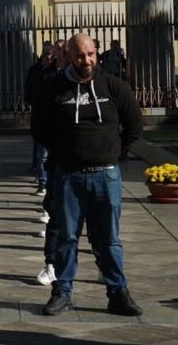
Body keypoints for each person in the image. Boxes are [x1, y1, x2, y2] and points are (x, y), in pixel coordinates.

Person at [31, 33, 144, 317]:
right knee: (66, 237)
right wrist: (65, 152)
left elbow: (134, 126)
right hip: (68, 176)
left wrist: (113, 151)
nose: (87, 60)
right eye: (80, 55)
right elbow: (39, 128)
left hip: (106, 176)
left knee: (109, 239)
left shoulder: (114, 86)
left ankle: (117, 292)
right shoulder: (54, 88)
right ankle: (62, 292)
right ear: (69, 56)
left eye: (91, 54)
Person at [24, 42, 57, 196]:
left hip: (54, 116)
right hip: (39, 114)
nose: (48, 58)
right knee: (41, 152)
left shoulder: (56, 72)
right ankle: (42, 182)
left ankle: (49, 182)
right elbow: (29, 88)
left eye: (50, 56)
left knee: (51, 153)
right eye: (45, 55)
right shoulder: (35, 70)